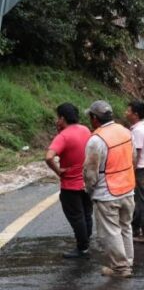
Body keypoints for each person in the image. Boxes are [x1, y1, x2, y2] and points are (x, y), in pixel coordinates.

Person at [83, 100, 136, 278]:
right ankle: (127, 262)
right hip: (128, 188)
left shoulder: (96, 140)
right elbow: (133, 158)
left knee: (111, 231)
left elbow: (90, 172)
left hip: (108, 193)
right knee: (125, 227)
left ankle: (120, 268)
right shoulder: (125, 131)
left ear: (94, 118)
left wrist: (89, 191)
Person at [45, 103, 94, 259]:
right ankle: (86, 240)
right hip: (87, 182)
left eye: (57, 117)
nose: (56, 120)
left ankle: (82, 247)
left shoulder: (63, 136)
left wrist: (58, 171)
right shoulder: (86, 130)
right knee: (86, 214)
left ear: (62, 118)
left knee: (76, 216)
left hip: (70, 185)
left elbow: (48, 157)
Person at [126, 100, 144, 242]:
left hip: (141, 171)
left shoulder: (137, 131)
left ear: (135, 114)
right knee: (138, 202)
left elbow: (135, 155)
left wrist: (130, 172)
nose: (126, 113)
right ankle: (134, 230)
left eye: (128, 111)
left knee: (143, 203)